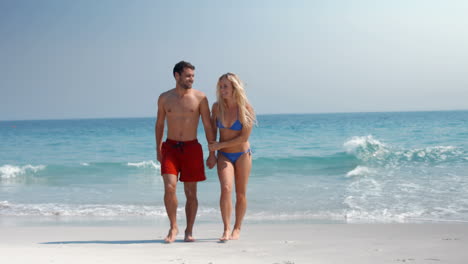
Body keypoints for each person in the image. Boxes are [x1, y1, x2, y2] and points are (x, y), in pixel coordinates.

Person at [155, 61, 216, 243]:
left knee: (191, 193)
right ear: (177, 76)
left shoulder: (200, 98)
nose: (192, 79)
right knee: (169, 187)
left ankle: (189, 231)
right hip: (171, 148)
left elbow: (207, 125)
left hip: (191, 148)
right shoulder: (164, 98)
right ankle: (173, 227)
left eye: (193, 76)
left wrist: (212, 152)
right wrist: (158, 147)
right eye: (188, 75)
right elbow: (159, 124)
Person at [209, 72, 256, 241]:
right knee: (226, 188)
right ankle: (226, 228)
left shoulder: (246, 108)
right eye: (220, 87)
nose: (222, 90)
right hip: (224, 156)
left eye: (225, 86)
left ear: (234, 88)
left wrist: (219, 146)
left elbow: (244, 137)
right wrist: (212, 154)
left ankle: (238, 227)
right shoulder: (216, 108)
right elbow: (213, 132)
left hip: (243, 154)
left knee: (241, 193)